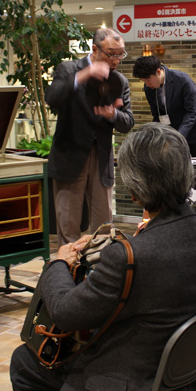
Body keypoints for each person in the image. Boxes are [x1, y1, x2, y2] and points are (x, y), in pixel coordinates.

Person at [10, 123, 196, 391]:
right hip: (187, 378)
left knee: (24, 362)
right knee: (26, 362)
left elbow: (65, 313)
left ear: (135, 192)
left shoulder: (129, 258)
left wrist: (59, 262)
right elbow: (164, 255)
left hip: (132, 386)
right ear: (187, 173)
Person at [46, 28, 135, 246]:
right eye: (111, 54)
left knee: (103, 225)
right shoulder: (69, 69)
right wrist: (84, 75)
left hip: (102, 156)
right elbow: (52, 98)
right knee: (68, 222)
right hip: (70, 155)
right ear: (94, 49)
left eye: (120, 54)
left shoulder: (120, 81)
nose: (116, 60)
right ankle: (68, 264)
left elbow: (127, 122)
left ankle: (101, 263)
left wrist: (113, 114)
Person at [132, 55, 196, 157]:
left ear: (158, 71)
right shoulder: (149, 88)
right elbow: (156, 115)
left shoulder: (183, 80)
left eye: (148, 79)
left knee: (194, 165)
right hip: (171, 135)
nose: (147, 84)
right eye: (143, 81)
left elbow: (191, 112)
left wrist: (178, 136)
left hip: (193, 133)